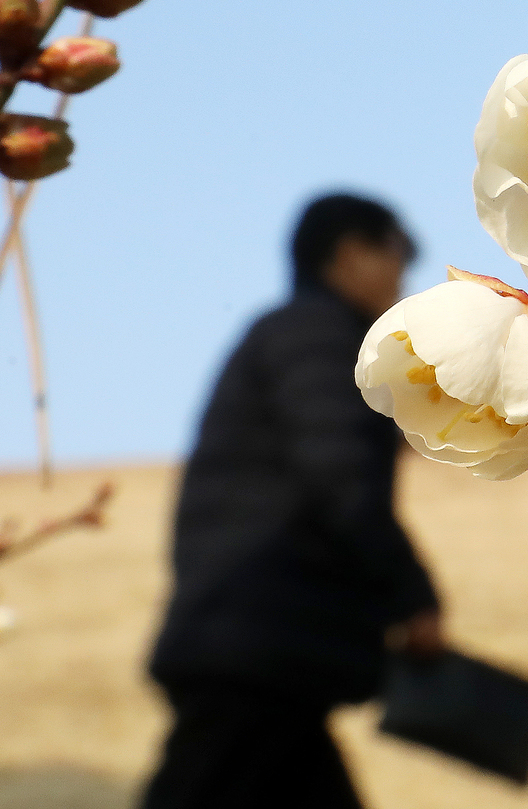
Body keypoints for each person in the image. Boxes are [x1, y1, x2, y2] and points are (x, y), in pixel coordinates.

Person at [141, 194, 444, 809]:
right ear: (352, 253)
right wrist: (410, 594)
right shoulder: (322, 338)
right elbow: (342, 477)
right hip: (257, 652)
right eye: (398, 256)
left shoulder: (289, 336)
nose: (401, 280)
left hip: (259, 652)